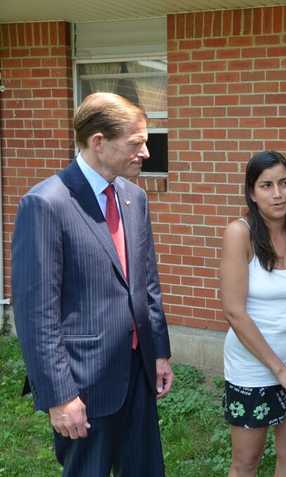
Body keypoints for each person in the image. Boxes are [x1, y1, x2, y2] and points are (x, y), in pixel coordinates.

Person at [12, 92, 174, 476]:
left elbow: (146, 282)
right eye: (136, 143)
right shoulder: (46, 204)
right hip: (83, 383)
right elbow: (37, 314)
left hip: (137, 374)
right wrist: (60, 396)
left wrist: (159, 353)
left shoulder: (134, 197)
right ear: (98, 142)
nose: (147, 152)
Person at [220, 151, 286, 477]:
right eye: (266, 185)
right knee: (246, 462)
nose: (277, 194)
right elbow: (234, 312)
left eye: (284, 183)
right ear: (252, 193)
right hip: (253, 367)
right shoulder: (240, 234)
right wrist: (278, 370)